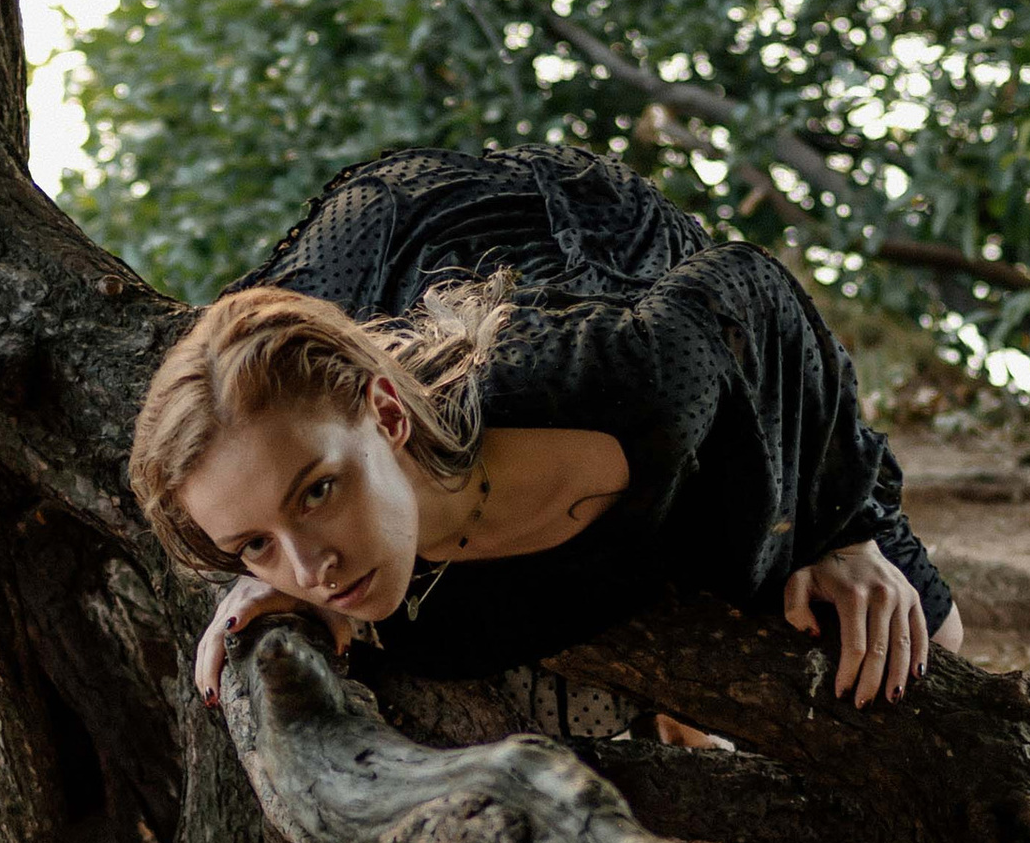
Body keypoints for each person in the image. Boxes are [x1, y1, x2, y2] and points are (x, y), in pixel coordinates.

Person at [127, 144, 961, 713]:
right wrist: (248, 576)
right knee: (230, 398)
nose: (312, 567)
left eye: (318, 493)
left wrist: (840, 530)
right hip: (375, 292)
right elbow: (228, 480)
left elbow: (754, 290)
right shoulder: (331, 574)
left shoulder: (626, 381)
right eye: (256, 543)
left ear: (385, 415)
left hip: (548, 228)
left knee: (937, 647)